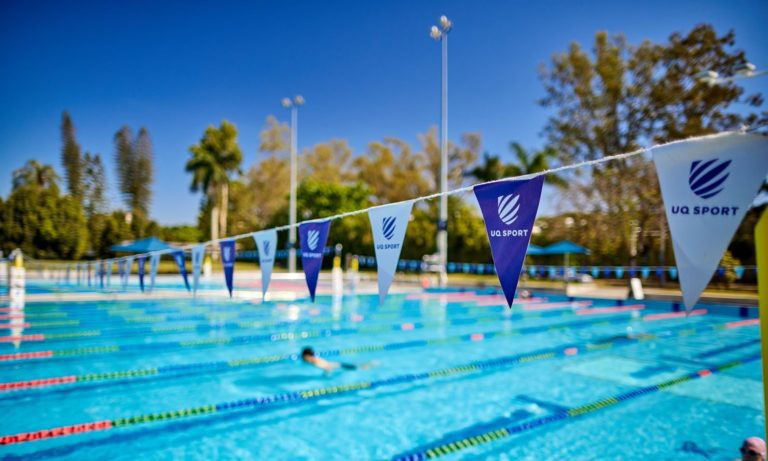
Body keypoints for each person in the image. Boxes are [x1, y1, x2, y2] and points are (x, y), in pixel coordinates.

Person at [300, 347, 372, 373]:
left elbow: (327, 367)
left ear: (307, 356)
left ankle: (368, 365)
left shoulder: (315, 361)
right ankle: (367, 364)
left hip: (339, 366)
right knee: (356, 366)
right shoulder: (314, 359)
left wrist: (326, 376)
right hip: (338, 364)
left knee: (358, 368)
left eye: (304, 356)